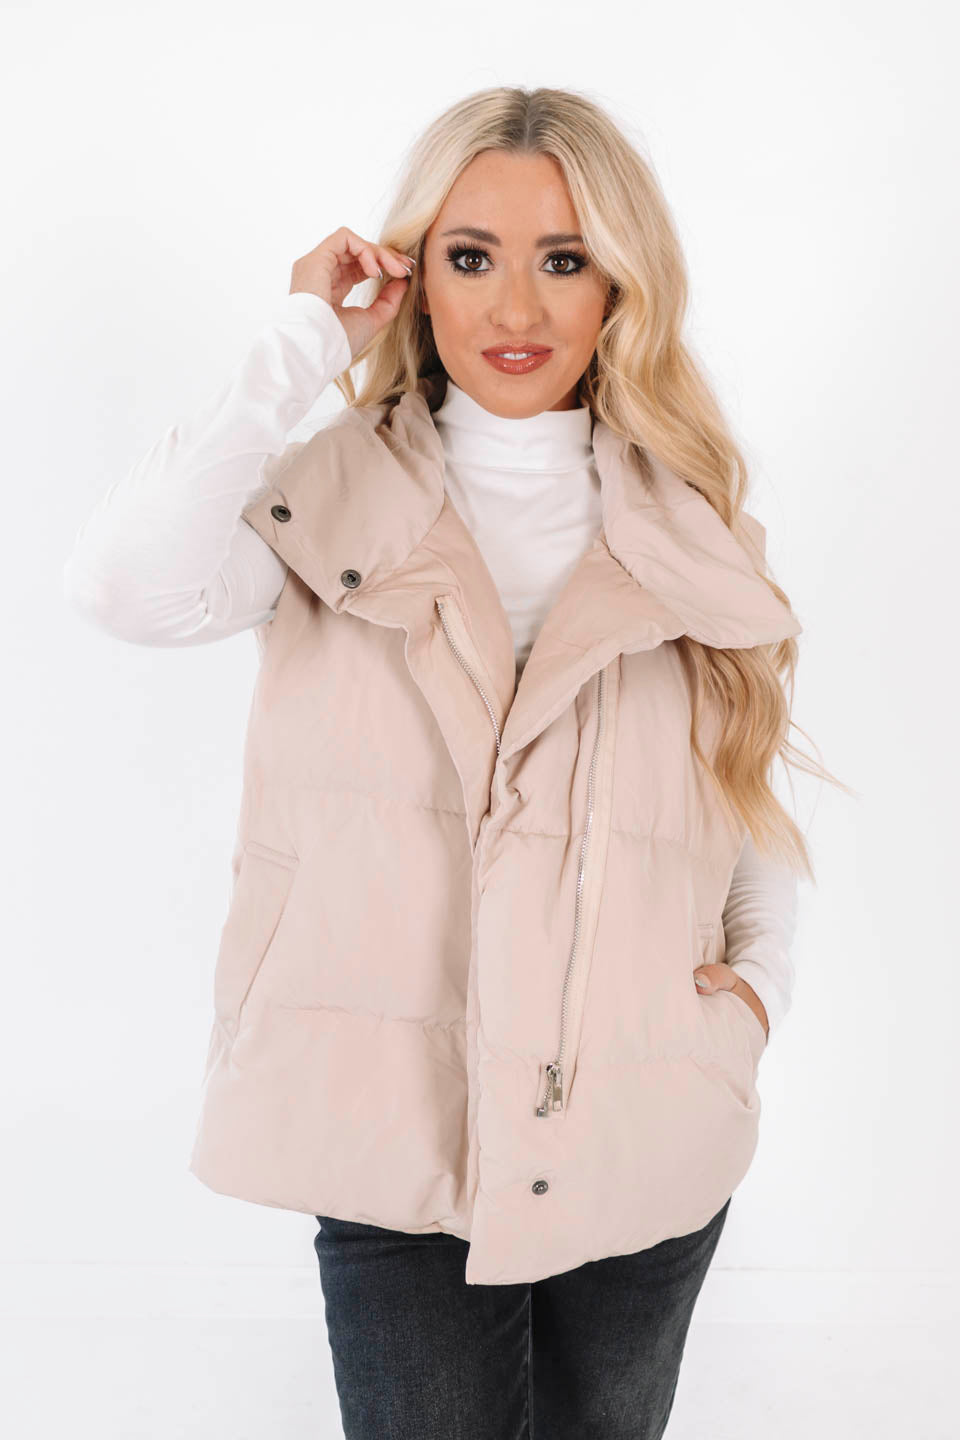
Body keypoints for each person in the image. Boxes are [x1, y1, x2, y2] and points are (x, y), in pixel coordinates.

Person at [63, 85, 825, 1440]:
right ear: (416, 275)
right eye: (472, 257)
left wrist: (757, 991)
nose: (516, 308)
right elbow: (126, 588)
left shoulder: (694, 520)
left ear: (620, 285)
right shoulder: (324, 498)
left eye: (564, 258)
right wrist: (302, 339)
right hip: (391, 1133)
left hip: (646, 1112)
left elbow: (749, 789)